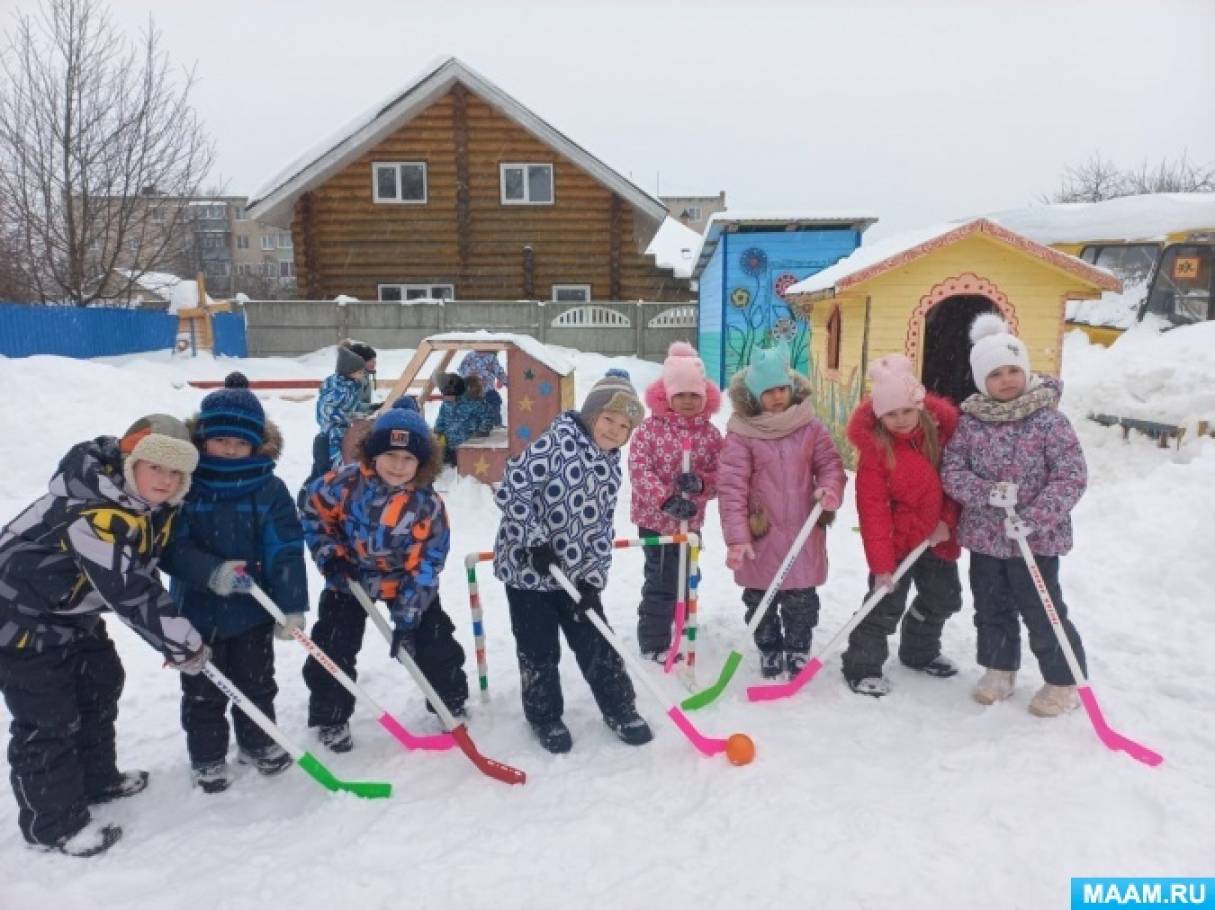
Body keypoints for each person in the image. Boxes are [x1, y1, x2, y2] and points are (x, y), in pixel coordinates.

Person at [0, 415, 210, 857]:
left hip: (66, 609)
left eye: (176, 472)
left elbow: (148, 565)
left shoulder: (150, 504)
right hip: (17, 616)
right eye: (156, 467)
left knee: (100, 682)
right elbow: (129, 589)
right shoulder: (91, 510)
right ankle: (54, 826)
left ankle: (98, 780)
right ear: (130, 462)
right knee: (48, 718)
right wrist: (182, 643)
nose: (166, 480)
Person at [492, 370, 653, 754]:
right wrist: (533, 541)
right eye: (609, 419)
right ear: (591, 414)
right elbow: (511, 487)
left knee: (597, 640)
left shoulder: (609, 465)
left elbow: (601, 527)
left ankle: (620, 707)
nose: (614, 430)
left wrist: (593, 578)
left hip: (576, 576)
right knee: (538, 649)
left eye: (624, 426)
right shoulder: (556, 443)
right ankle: (544, 716)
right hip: (529, 572)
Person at [161, 386, 308, 792]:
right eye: (221, 440)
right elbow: (170, 548)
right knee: (203, 691)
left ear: (255, 444)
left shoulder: (269, 489)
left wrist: (291, 604)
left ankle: (258, 742)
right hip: (197, 608)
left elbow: (285, 548)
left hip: (252, 611)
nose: (229, 449)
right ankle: (207, 757)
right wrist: (213, 572)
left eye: (240, 443)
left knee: (256, 682)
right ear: (202, 439)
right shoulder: (184, 485)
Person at [941, 314, 1088, 717]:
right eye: (995, 374)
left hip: (1036, 539)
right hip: (986, 538)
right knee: (991, 607)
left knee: (1042, 609)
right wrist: (987, 493)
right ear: (980, 380)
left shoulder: (1049, 421)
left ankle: (1063, 680)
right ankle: (1000, 669)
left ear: (1025, 371)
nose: (1006, 380)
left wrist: (1034, 517)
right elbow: (952, 471)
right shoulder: (970, 424)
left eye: (1012, 370)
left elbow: (1071, 476)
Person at [300, 407, 467, 752]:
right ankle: (331, 716)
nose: (398, 465)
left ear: (422, 463)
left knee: (436, 642)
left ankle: (448, 701)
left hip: (405, 580)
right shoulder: (343, 484)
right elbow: (314, 513)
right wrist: (330, 555)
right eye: (390, 454)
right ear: (373, 452)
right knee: (333, 645)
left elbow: (428, 562)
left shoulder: (427, 504)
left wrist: (408, 616)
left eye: (408, 458)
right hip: (349, 576)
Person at [717, 342, 847, 679]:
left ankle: (798, 649)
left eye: (781, 389)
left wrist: (829, 489)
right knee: (760, 601)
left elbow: (830, 465)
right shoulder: (742, 434)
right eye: (768, 391)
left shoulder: (810, 426)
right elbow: (731, 489)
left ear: (791, 388)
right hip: (762, 534)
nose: (777, 396)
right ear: (754, 395)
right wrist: (737, 538)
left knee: (801, 600)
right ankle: (769, 648)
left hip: (803, 529)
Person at [839, 354, 963, 697]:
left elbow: (954, 485)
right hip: (896, 544)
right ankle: (862, 665)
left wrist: (946, 521)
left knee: (944, 598)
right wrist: (882, 566)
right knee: (884, 606)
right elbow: (873, 512)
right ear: (879, 416)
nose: (900, 419)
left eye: (907, 410)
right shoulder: (876, 452)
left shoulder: (940, 438)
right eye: (891, 414)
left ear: (919, 406)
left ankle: (919, 650)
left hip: (936, 538)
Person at [628, 341, 723, 662]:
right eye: (680, 395)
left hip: (690, 522)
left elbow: (721, 474)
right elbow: (639, 470)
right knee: (661, 581)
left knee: (687, 575)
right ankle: (654, 641)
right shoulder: (649, 431)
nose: (687, 401)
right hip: (655, 521)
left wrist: (701, 484)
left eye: (694, 395)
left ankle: (681, 616)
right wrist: (666, 499)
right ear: (667, 395)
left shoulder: (710, 435)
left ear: (704, 396)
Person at [434, 372, 484, 464]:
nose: (447, 398)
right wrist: (438, 431)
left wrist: (479, 430)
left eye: (450, 394)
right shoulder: (445, 405)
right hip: (450, 444)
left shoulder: (470, 404)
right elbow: (441, 418)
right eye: (445, 394)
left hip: (466, 444)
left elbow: (479, 419)